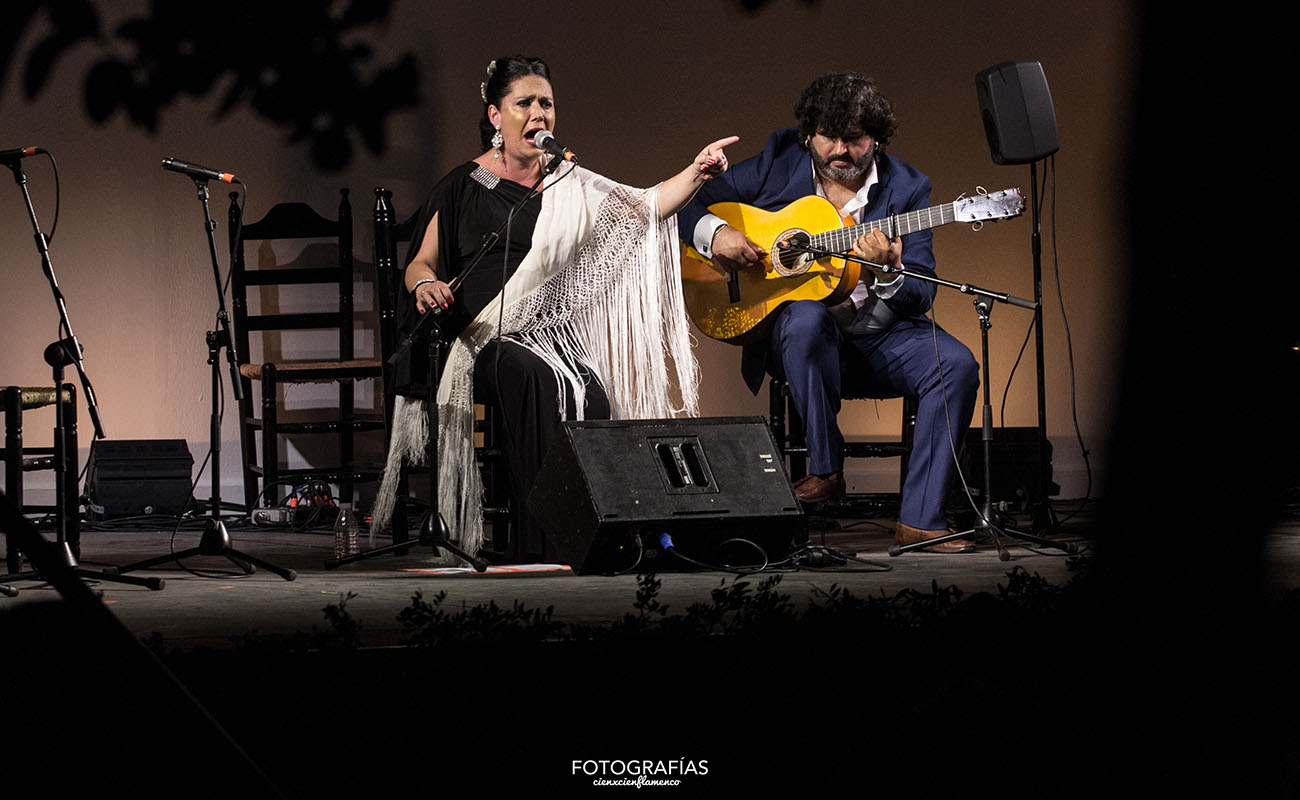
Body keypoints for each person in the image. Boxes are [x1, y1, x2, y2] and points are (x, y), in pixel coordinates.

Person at [372, 55, 737, 563]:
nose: (538, 113)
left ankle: (588, 541)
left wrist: (696, 173)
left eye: (546, 103)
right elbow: (421, 262)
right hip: (477, 337)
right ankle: (540, 547)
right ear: (496, 116)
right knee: (539, 382)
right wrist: (426, 284)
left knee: (590, 392)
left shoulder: (570, 183)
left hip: (544, 334)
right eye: (524, 103)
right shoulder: (462, 185)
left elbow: (646, 204)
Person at [677, 72, 979, 553]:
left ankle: (921, 518)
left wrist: (886, 271)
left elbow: (920, 292)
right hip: (803, 342)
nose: (840, 149)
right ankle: (825, 467)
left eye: (854, 138)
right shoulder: (778, 160)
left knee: (957, 365)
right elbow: (688, 204)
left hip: (885, 337)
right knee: (804, 316)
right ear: (807, 137)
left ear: (876, 137)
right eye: (827, 137)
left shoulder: (908, 188)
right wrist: (717, 235)